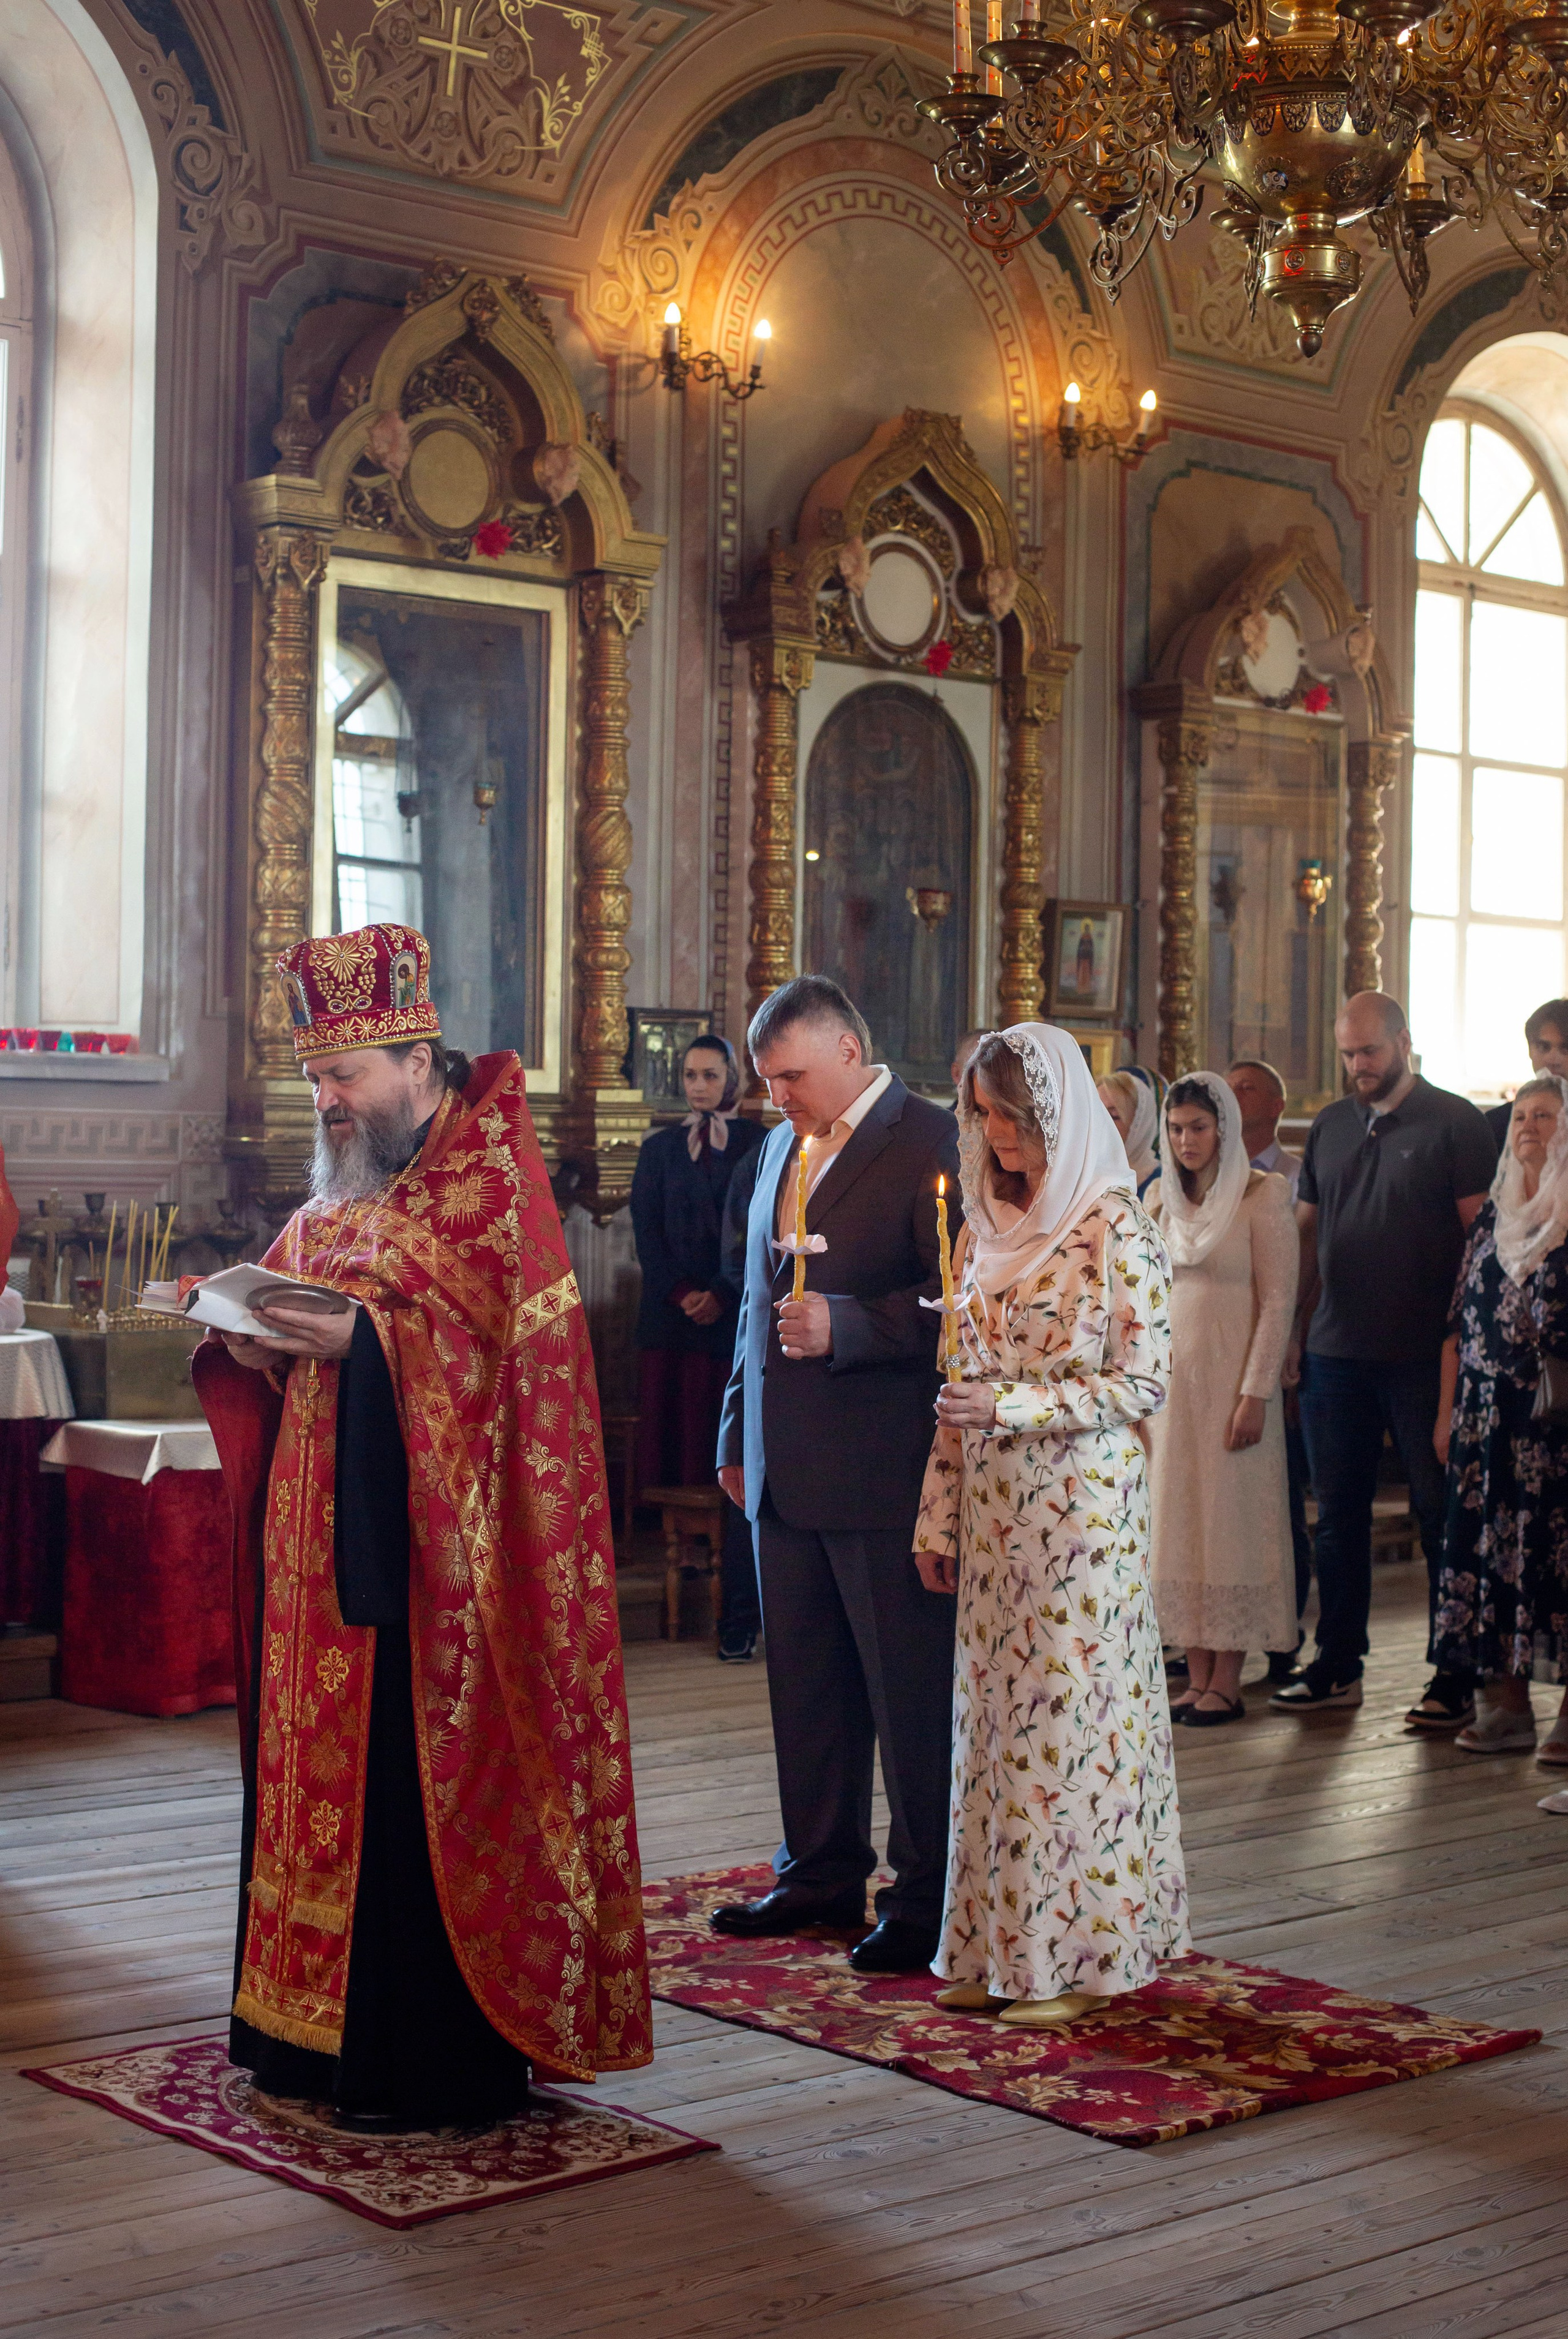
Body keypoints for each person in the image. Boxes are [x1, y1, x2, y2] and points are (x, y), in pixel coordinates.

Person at [193, 924, 652, 2129]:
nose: (330, 1103)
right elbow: (304, 1308)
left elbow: (512, 1377)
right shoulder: (346, 1187)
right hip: (315, 1558)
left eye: (345, 1079)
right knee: (308, 1788)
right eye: (316, 1084)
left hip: (438, 1569)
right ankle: (299, 2037)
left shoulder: (495, 1185)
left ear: (412, 1055)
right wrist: (249, 1338)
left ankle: (417, 2054)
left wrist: (360, 1339)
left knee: (403, 1798)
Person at [913, 1025, 1188, 2024]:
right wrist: (936, 1517)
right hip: (992, 1513)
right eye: (983, 1115)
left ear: (1056, 1116)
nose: (997, 1135)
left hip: (1084, 1518)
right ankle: (998, 1951)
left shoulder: (1117, 1224)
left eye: (1014, 1117)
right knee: (993, 1728)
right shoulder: (981, 1223)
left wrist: (1018, 1409)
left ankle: (1078, 1959)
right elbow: (959, 1383)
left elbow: (1144, 1379)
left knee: (1069, 1727)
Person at [712, 975, 960, 1974]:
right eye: (767, 1080)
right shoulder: (779, 1143)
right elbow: (752, 1305)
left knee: (907, 1693)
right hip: (782, 1464)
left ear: (849, 1052)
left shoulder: (935, 1140)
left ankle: (928, 1890)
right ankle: (818, 1870)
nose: (777, 1098)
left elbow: (962, 1302)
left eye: (790, 1077)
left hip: (884, 1462)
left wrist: (850, 1323)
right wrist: (736, 1432)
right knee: (804, 1684)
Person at [1273, 992, 1496, 1725]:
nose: (1357, 1067)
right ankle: (1337, 1664)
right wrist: (1295, 1331)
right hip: (1336, 1351)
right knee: (1335, 1518)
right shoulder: (1333, 1125)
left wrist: (1463, 1350)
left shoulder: (1455, 1121)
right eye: (1346, 1053)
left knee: (1440, 1516)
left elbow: (1479, 1244)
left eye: (1368, 1051)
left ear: (1402, 1040)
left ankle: (1453, 1674)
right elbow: (1306, 1237)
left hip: (1421, 1355)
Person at [1145, 1073, 1298, 1723]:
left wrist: (1255, 1392)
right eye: (1176, 1128)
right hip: (1171, 1388)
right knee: (1180, 1522)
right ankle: (1197, 1672)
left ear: (1224, 1130)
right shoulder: (1157, 1198)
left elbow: (1278, 1300)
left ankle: (1228, 1681)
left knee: (1228, 1522)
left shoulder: (1263, 1196)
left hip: (1232, 1378)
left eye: (1198, 1128)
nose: (1186, 1140)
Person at [1433, 1075, 1568, 1772]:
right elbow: (1458, 1320)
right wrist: (1446, 1413)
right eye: (1521, 1115)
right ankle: (1508, 1708)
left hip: (1558, 1422)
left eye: (1545, 1115)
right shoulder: (1493, 1214)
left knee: (1559, 1563)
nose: (1529, 1126)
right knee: (1495, 1559)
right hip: (1488, 1418)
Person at [630, 1034, 765, 1660]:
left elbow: (746, 1235)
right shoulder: (659, 1149)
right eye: (689, 1075)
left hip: (729, 1313)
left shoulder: (756, 1144)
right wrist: (683, 1293)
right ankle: (680, 1557)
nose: (698, 1086)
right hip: (672, 1315)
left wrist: (717, 1292)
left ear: (732, 1079)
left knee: (722, 1431)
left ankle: (730, 1556)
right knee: (677, 1432)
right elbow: (647, 1233)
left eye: (710, 1075)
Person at [1227, 1057, 1311, 1678]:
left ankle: (1283, 1642)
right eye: (1227, 1089)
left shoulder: (1291, 1178)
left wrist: (1289, 1347)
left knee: (1282, 1496)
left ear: (1278, 1106)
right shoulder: (1206, 1181)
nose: (1234, 1097)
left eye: (1248, 1088)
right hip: (1217, 1359)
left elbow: (1293, 1279)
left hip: (1280, 1354)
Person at [1486, 998, 1568, 1151]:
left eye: (1566, 1048)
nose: (1553, 1060)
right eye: (1544, 1047)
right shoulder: (1498, 1123)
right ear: (1530, 1050)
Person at [1097, 1068, 1161, 1195]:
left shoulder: (1159, 1185)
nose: (1101, 1124)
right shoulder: (1089, 1175)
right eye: (1097, 1114)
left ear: (1139, 1126)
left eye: (1114, 1116)